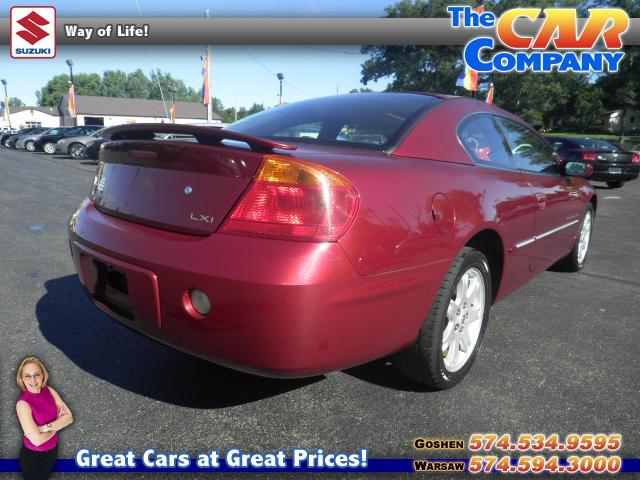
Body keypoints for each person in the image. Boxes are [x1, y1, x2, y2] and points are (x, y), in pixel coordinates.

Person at [16, 357, 73, 480]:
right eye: (27, 376)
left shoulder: (49, 391)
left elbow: (69, 418)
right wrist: (57, 426)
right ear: (21, 379)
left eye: (36, 374)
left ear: (43, 375)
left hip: (52, 450)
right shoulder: (23, 404)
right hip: (34, 458)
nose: (33, 380)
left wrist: (43, 428)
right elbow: (37, 441)